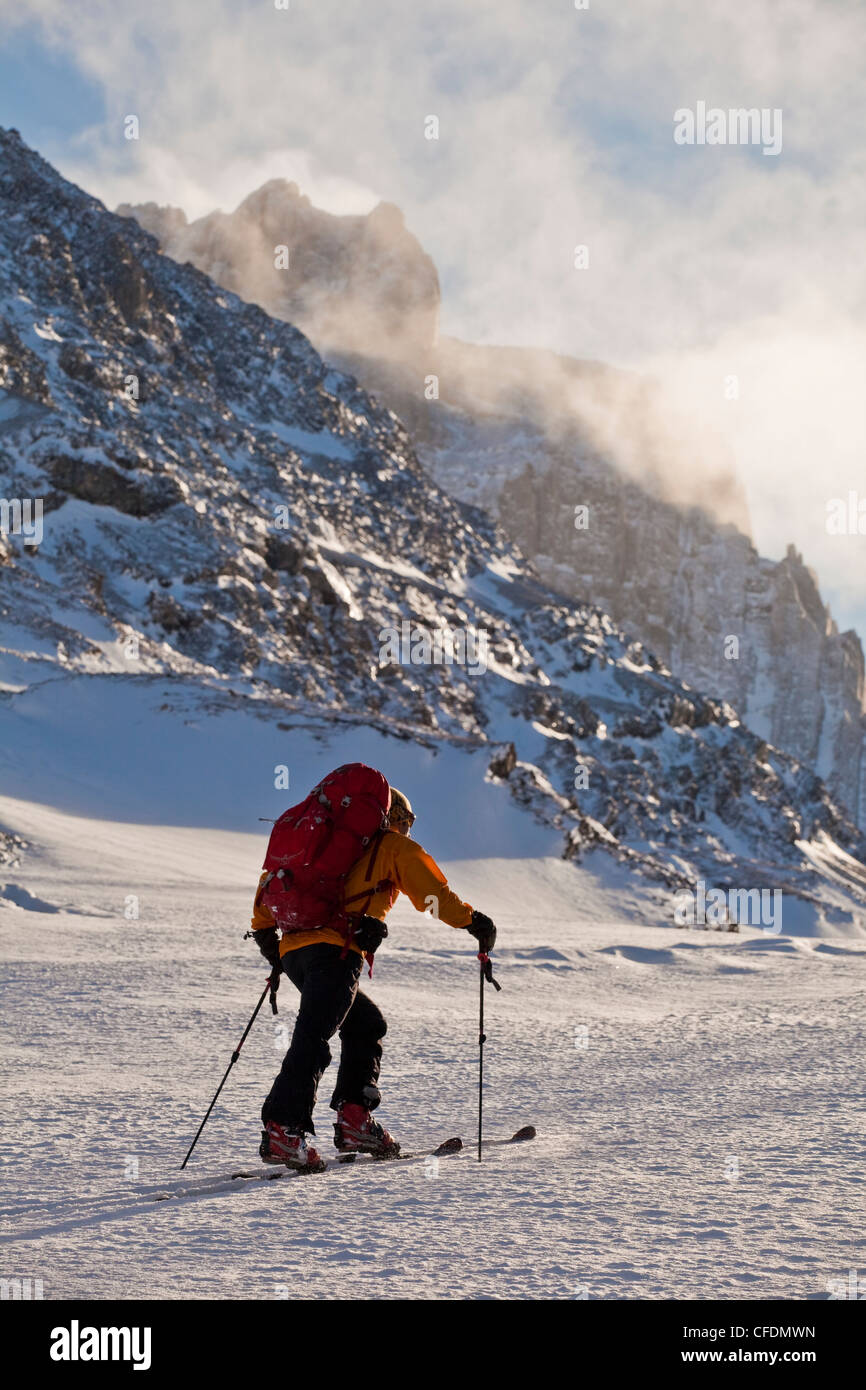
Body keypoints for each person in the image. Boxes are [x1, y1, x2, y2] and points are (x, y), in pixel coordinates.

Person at [250, 786, 497, 1170]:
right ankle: (284, 1128)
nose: (408, 828)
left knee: (365, 1023)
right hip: (337, 950)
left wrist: (278, 952)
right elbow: (434, 896)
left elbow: (267, 900)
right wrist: (475, 923)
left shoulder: (318, 848)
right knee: (314, 1035)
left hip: (296, 953)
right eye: (406, 821)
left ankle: (354, 1120)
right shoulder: (393, 848)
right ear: (391, 819)